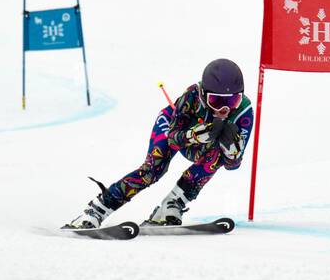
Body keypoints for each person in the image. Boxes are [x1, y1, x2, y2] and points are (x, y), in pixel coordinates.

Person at [64, 58, 253, 228]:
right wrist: (192, 136)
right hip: (172, 128)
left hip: (202, 145)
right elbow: (172, 137)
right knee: (154, 169)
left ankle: (172, 205)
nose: (225, 109)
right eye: (216, 100)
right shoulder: (192, 95)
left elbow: (232, 166)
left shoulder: (244, 113)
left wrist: (232, 152)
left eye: (234, 100)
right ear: (204, 94)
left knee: (216, 156)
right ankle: (97, 209)